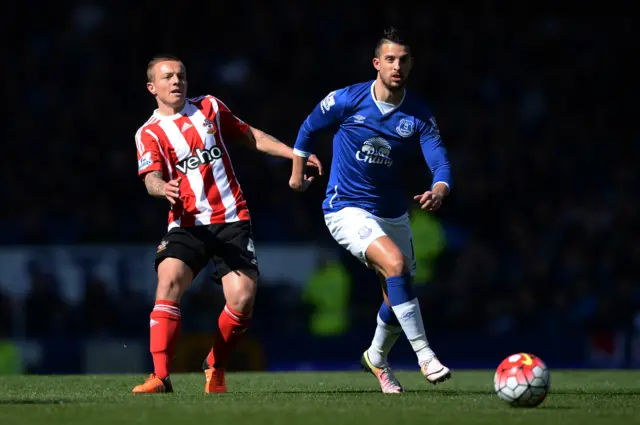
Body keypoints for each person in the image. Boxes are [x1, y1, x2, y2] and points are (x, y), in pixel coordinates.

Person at [132, 54, 322, 394]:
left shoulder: (210, 107)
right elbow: (150, 180)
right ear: (152, 87)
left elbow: (252, 137)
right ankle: (160, 376)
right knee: (169, 282)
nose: (176, 81)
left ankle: (215, 365)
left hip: (231, 218)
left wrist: (295, 153)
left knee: (243, 299)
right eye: (167, 77)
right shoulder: (148, 133)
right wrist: (164, 188)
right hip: (187, 223)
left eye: (180, 75)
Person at [289, 27, 452, 393]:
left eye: (403, 60)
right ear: (377, 64)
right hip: (345, 207)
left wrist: (440, 189)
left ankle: (376, 358)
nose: (397, 66)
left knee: (397, 292)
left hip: (393, 213)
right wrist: (297, 175)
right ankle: (425, 355)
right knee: (394, 265)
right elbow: (308, 128)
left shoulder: (419, 114)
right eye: (390, 59)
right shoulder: (347, 99)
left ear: (412, 64)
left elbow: (440, 163)